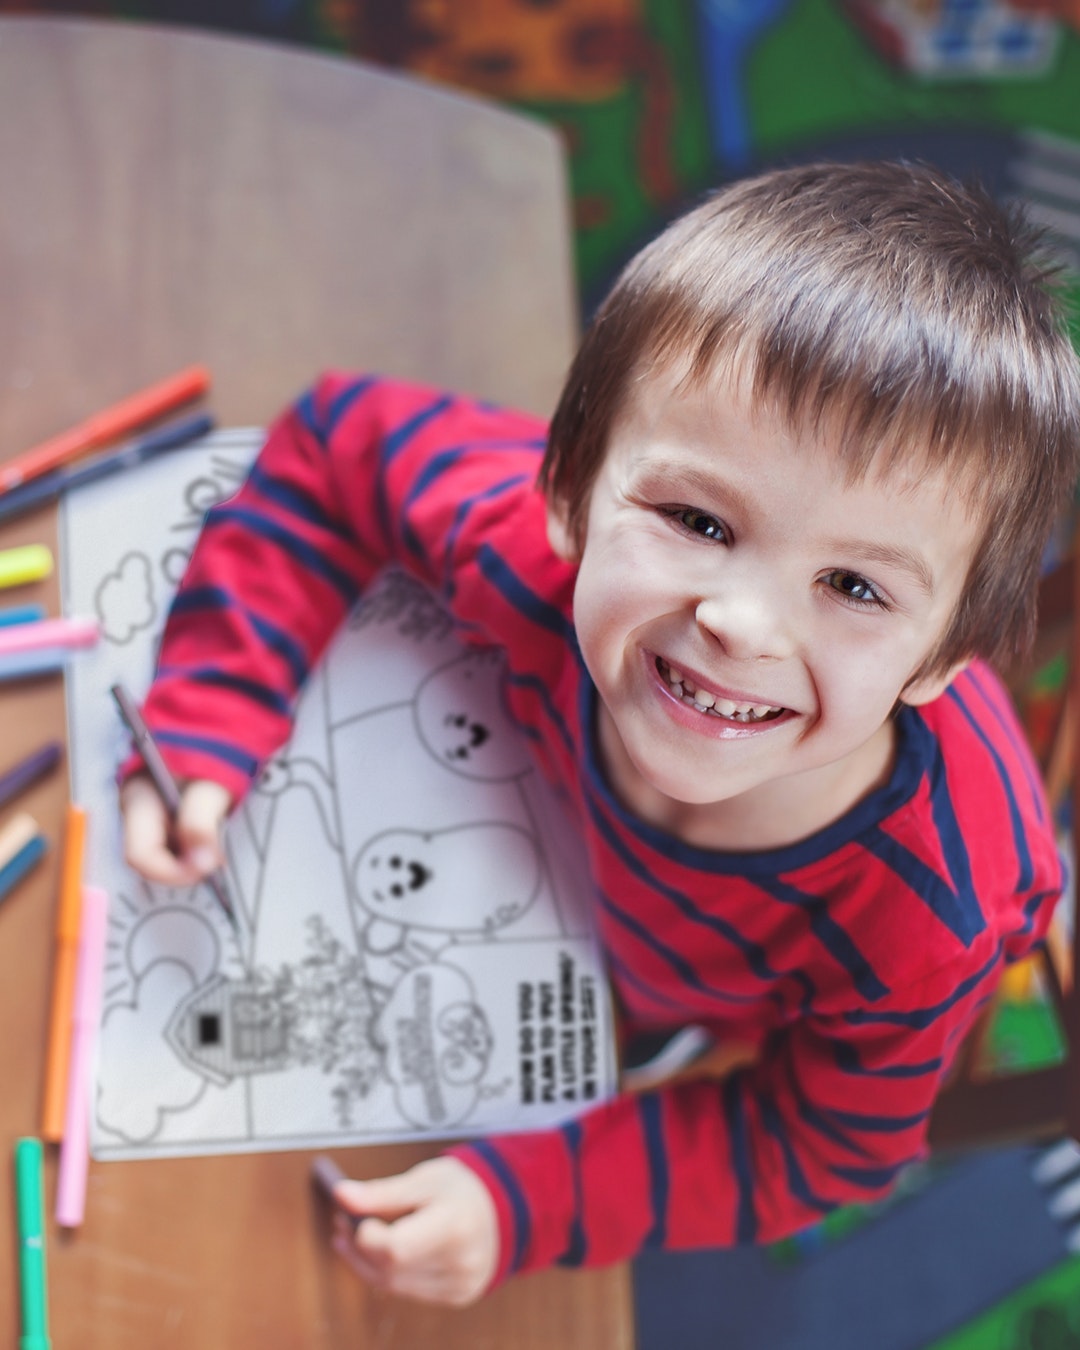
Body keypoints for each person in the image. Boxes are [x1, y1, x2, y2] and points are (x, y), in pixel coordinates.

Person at [119, 160, 1080, 1307]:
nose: (741, 624)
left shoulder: (932, 919)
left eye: (856, 588)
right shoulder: (524, 551)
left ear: (940, 659)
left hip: (675, 1005)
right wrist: (207, 718)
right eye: (697, 520)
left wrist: (525, 1202)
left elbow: (823, 1147)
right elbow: (334, 446)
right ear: (569, 489)